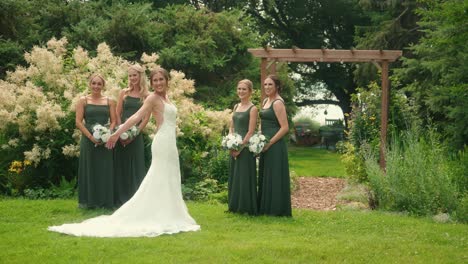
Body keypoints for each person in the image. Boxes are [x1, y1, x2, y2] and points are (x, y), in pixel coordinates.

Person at [48, 68, 200, 237]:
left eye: (161, 80)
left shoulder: (167, 98)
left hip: (171, 144)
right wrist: (117, 133)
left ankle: (171, 212)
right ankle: (157, 214)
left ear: (167, 81)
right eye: (155, 80)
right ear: (151, 82)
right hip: (162, 142)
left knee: (170, 177)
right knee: (158, 177)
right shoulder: (152, 98)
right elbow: (136, 117)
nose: (158, 83)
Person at [75, 73, 117, 209]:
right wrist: (91, 137)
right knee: (90, 168)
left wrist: (108, 133)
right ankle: (89, 201)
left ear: (103, 85)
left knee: (104, 169)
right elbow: (78, 122)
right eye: (94, 83)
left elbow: (114, 120)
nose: (96, 86)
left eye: (99, 84)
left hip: (106, 140)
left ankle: (105, 201)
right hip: (88, 139)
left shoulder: (110, 101)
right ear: (90, 84)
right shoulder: (83, 100)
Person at [113, 64, 150, 206]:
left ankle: (136, 200)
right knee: (121, 165)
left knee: (136, 166)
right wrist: (119, 132)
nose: (132, 78)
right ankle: (119, 199)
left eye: (135, 75)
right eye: (130, 75)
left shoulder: (146, 96)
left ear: (140, 76)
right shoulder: (124, 93)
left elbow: (145, 119)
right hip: (121, 134)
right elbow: (117, 113)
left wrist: (134, 134)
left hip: (136, 135)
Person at [258, 75, 292, 217]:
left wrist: (269, 143)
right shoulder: (266, 100)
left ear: (277, 86)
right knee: (266, 174)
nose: (267, 87)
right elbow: (262, 121)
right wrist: (259, 137)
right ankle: (265, 207)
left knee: (275, 175)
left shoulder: (278, 103)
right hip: (264, 142)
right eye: (265, 84)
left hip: (275, 144)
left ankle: (276, 209)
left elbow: (284, 128)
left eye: (270, 85)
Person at [227, 79, 258, 215]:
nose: (241, 91)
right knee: (235, 177)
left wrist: (240, 148)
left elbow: (251, 131)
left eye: (244, 89)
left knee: (244, 177)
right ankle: (234, 206)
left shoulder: (253, 108)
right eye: (239, 89)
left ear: (250, 91)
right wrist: (230, 142)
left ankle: (246, 207)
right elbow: (231, 127)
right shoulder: (235, 107)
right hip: (234, 147)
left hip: (245, 149)